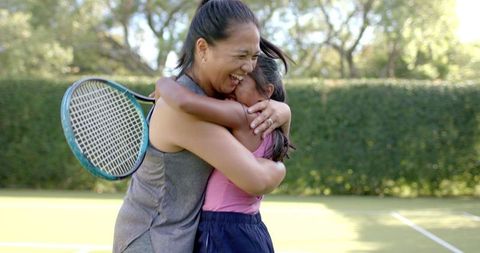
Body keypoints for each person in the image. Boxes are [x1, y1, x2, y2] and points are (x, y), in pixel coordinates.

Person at [112, 1, 292, 252]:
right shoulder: (181, 111)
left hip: (179, 240)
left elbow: (264, 144)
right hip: (153, 241)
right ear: (203, 49)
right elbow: (256, 179)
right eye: (241, 55)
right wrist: (279, 169)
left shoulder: (216, 98)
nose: (249, 67)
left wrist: (284, 111)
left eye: (253, 57)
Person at [155, 54, 293, 253]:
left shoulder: (242, 115)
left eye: (240, 82)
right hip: (253, 228)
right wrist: (286, 113)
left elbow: (186, 103)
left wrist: (163, 83)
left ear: (266, 91)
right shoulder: (275, 130)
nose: (232, 87)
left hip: (223, 230)